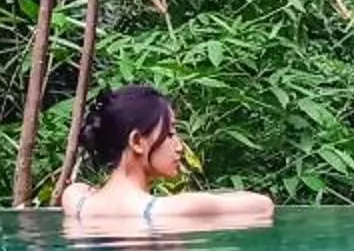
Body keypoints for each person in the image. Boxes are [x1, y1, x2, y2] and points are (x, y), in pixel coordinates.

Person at [58, 84, 274, 229]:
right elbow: (264, 205)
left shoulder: (76, 201)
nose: (180, 147)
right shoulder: (171, 210)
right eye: (170, 133)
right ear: (136, 142)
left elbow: (82, 189)